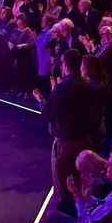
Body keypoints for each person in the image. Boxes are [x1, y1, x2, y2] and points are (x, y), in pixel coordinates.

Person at [33, 49, 99, 212]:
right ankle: (80, 212)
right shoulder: (87, 85)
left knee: (64, 185)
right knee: (81, 181)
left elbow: (47, 113)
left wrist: (41, 98)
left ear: (66, 66)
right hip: (85, 140)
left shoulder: (62, 87)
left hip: (66, 142)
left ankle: (64, 219)